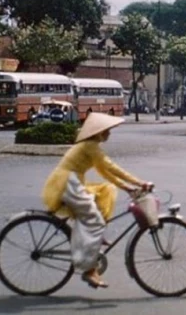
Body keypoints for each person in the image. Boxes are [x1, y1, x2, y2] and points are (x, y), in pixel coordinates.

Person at [42, 112, 153, 289]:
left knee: (106, 190)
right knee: (94, 220)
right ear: (99, 132)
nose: (109, 133)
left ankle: (92, 238)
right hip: (67, 183)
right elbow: (110, 167)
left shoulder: (90, 145)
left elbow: (104, 172)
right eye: (107, 130)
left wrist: (127, 187)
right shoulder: (90, 146)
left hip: (70, 181)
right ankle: (89, 269)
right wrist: (139, 183)